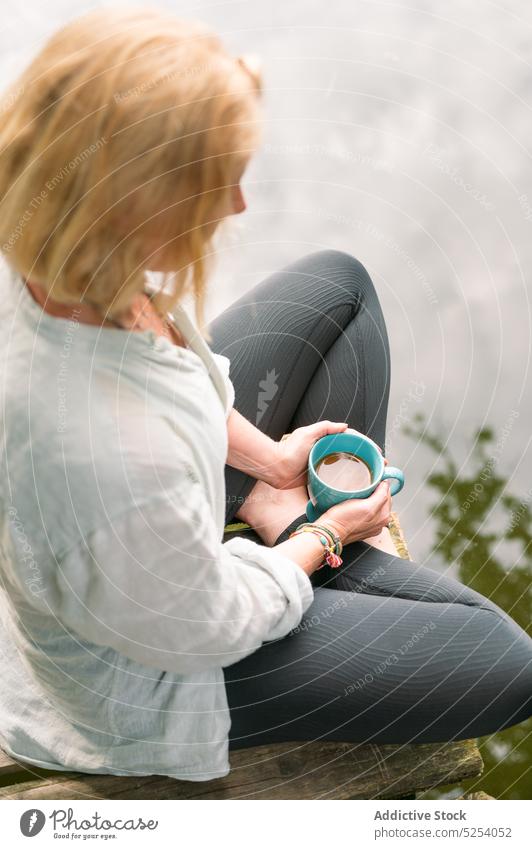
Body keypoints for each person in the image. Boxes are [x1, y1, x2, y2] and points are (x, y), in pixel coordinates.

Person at [0, 7, 530, 784]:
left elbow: (159, 373)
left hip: (140, 546)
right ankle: (339, 543)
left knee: (339, 288)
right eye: (217, 186)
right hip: (155, 675)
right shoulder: (106, 449)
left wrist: (266, 462)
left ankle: (286, 515)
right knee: (508, 662)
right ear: (129, 208)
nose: (239, 206)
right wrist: (321, 543)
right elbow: (211, 621)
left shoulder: (51, 252)